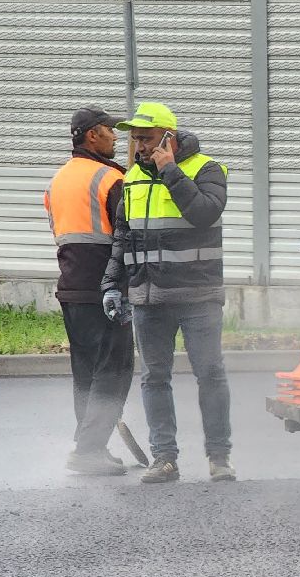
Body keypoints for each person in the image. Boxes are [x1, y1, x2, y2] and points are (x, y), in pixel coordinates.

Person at [101, 101, 235, 484]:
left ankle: (219, 457)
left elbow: (205, 213)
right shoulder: (131, 178)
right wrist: (113, 284)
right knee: (154, 377)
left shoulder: (207, 169)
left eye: (145, 138)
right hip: (148, 296)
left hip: (198, 295)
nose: (138, 146)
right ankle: (165, 459)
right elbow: (122, 237)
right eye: (135, 139)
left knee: (210, 373)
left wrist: (169, 170)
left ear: (168, 138)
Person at [44, 106, 135, 476]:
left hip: (73, 288)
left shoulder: (58, 181)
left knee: (86, 372)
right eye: (110, 131)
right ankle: (88, 449)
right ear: (93, 135)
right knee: (114, 369)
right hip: (106, 289)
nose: (116, 137)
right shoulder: (110, 179)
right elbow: (126, 236)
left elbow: (61, 235)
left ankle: (91, 445)